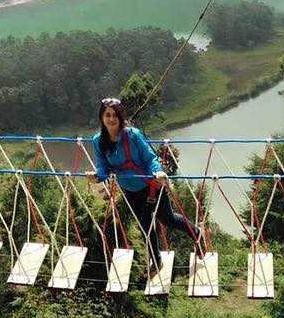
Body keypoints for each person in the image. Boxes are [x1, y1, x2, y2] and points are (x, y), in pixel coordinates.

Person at [86, 97, 200, 277]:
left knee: (167, 219)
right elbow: (103, 167)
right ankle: (156, 260)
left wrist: (158, 172)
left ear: (121, 117)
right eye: (107, 115)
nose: (111, 119)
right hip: (130, 190)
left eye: (115, 115)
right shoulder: (98, 140)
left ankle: (196, 233)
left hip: (151, 184)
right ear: (101, 117)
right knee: (145, 226)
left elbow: (150, 158)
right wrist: (96, 176)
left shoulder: (133, 135)